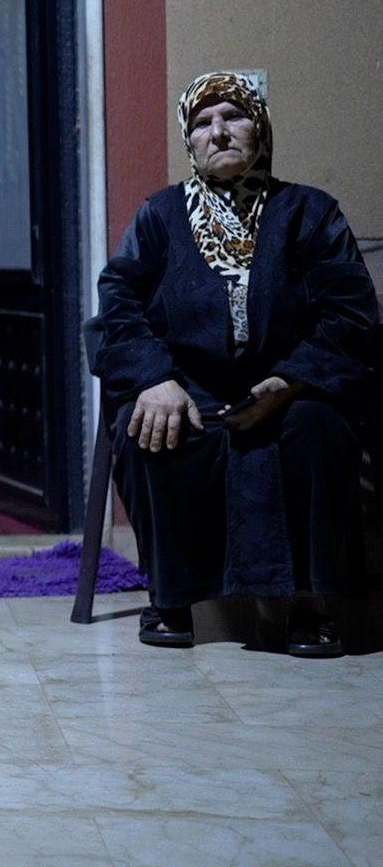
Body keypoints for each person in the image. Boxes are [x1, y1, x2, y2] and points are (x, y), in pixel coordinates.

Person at [87, 70, 375, 657]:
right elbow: (117, 301)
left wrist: (294, 379)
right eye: (201, 123)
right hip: (185, 385)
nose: (217, 133)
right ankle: (169, 597)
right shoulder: (160, 215)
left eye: (233, 116)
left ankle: (311, 603)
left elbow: (351, 313)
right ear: (188, 141)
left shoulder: (310, 212)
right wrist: (153, 378)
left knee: (316, 430)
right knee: (151, 428)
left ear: (261, 127)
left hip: (291, 385)